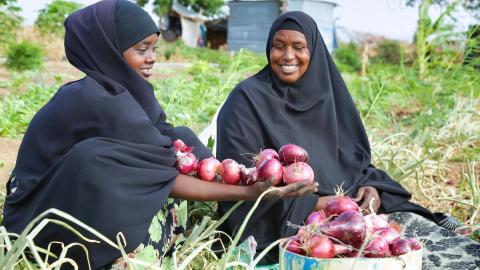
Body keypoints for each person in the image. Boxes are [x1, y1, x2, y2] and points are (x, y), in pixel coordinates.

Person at [1, 2, 318, 269]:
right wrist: (249, 193)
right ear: (107, 51)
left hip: (71, 195)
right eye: (141, 50)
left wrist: (241, 174)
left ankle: (212, 220)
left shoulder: (124, 91)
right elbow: (162, 171)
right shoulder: (98, 100)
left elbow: (169, 144)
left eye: (154, 48)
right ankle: (124, 250)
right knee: (96, 159)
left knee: (180, 136)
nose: (152, 58)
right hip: (37, 216)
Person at [216, 11, 480, 269]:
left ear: (315, 51)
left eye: (298, 47)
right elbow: (243, 183)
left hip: (351, 210)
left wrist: (369, 188)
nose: (288, 56)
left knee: (409, 233)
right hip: (284, 218)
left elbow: (354, 161)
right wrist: (326, 205)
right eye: (278, 46)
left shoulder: (327, 95)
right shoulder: (245, 102)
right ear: (268, 48)